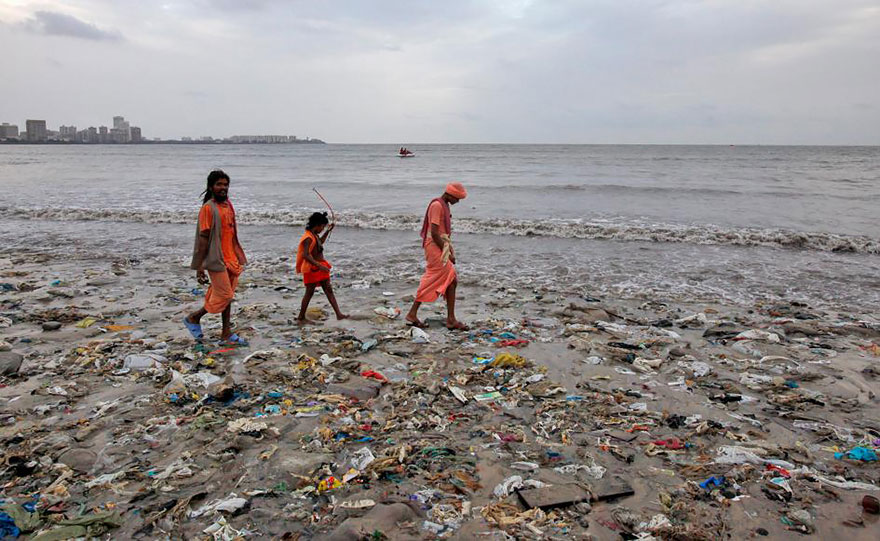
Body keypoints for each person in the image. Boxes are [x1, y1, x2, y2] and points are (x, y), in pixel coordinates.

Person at [183, 169, 248, 345]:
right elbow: (203, 238)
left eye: (226, 184)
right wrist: (199, 266)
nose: (223, 188)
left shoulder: (228, 205)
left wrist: (238, 255)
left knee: (228, 295)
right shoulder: (208, 208)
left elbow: (232, 232)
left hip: (231, 258)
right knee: (225, 295)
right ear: (211, 187)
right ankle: (194, 317)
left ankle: (226, 333)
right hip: (216, 259)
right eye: (219, 184)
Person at [405, 182, 469, 330]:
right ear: (450, 195)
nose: (457, 202)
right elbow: (434, 233)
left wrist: (449, 250)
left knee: (452, 280)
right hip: (434, 246)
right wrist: (446, 254)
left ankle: (450, 319)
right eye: (457, 198)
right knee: (433, 278)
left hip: (441, 244)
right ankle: (413, 313)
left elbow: (442, 232)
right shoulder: (437, 206)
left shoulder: (445, 205)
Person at [296, 211, 348, 324]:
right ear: (317, 225)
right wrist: (319, 265)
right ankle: (301, 318)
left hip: (320, 267)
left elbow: (320, 242)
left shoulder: (313, 235)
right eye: (323, 227)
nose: (322, 229)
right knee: (309, 292)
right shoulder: (308, 238)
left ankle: (339, 314)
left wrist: (329, 231)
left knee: (328, 290)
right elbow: (305, 254)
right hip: (313, 268)